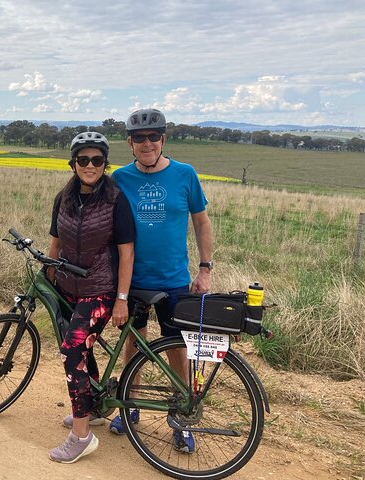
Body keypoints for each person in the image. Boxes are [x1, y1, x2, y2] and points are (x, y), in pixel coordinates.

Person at [110, 108, 213, 454]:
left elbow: (201, 222)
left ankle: (180, 415)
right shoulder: (120, 178)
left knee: (176, 348)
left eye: (154, 137)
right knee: (133, 345)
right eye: (139, 138)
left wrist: (205, 268)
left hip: (173, 280)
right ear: (130, 143)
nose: (147, 143)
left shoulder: (185, 175)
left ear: (163, 140)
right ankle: (130, 406)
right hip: (134, 280)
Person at [47, 131, 135, 463]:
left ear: (104, 164)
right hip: (70, 287)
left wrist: (121, 299)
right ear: (73, 164)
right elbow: (56, 242)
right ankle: (94, 407)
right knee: (82, 347)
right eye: (83, 160)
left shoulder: (116, 200)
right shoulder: (64, 198)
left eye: (97, 160)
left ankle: (81, 436)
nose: (90, 165)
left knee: (72, 353)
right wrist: (51, 276)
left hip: (101, 291)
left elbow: (127, 254)